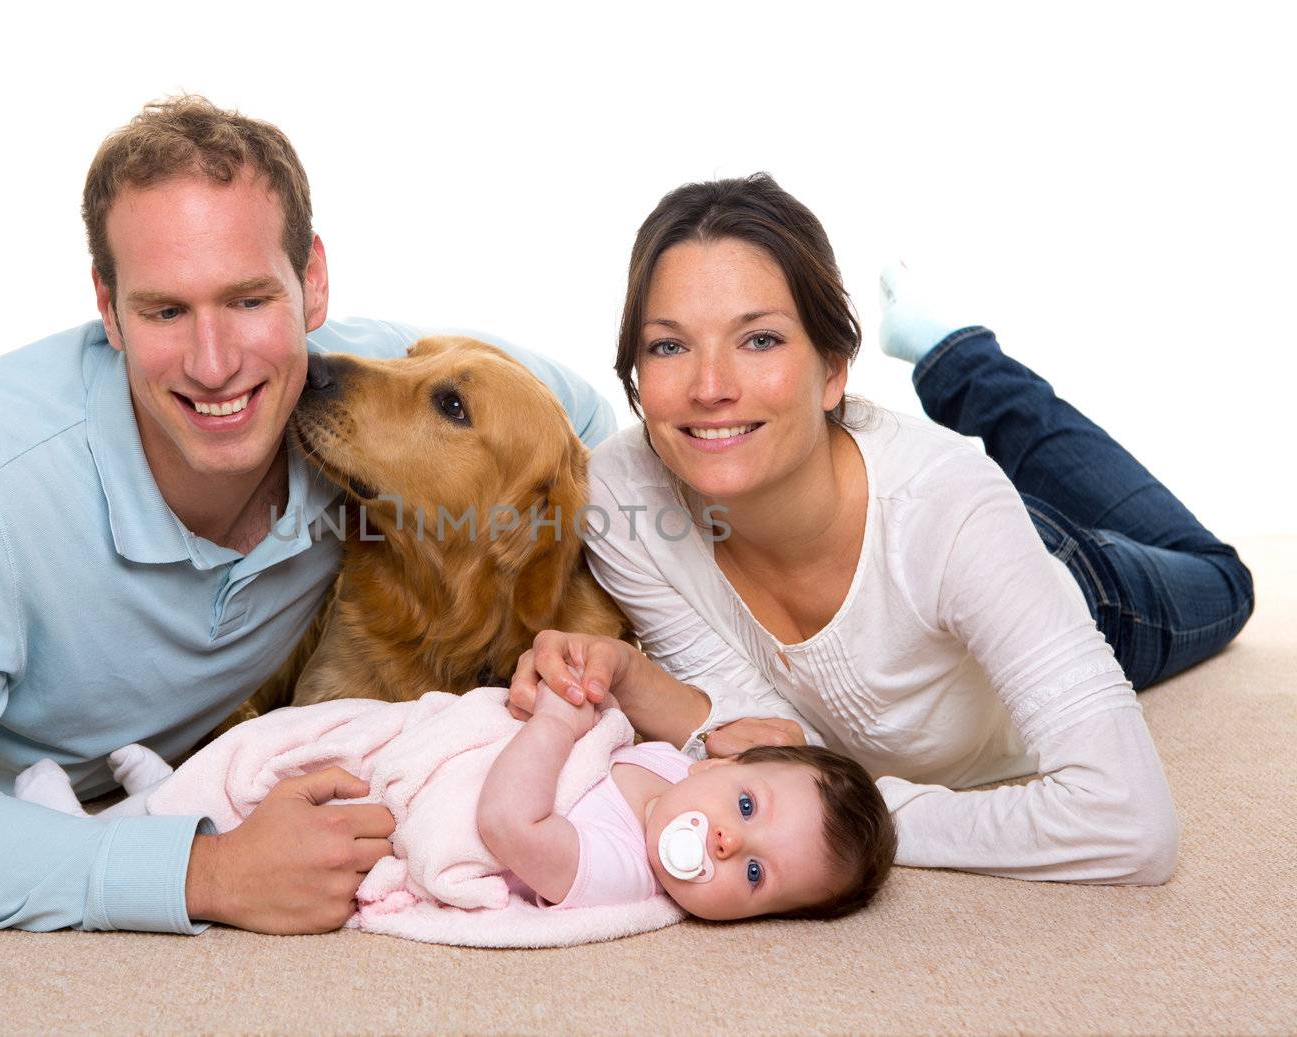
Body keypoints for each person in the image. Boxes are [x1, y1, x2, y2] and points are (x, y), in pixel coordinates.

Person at [0, 95, 614, 935]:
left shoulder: (344, 385)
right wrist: (205, 872)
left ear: (313, 283)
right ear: (107, 306)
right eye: (166, 309)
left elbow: (574, 422)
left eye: (251, 299)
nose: (217, 364)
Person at [509, 173, 1255, 883]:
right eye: (668, 345)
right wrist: (638, 682)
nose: (710, 387)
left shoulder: (951, 512)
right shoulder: (617, 495)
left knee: (1223, 578)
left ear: (833, 368)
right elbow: (751, 731)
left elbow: (1130, 823)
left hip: (1074, 583)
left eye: (759, 339)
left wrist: (857, 813)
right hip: (926, 518)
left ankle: (955, 355)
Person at [13, 681, 896, 920]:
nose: (721, 845)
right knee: (292, 737)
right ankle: (168, 789)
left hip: (434, 794)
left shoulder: (622, 872)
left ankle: (87, 828)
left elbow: (507, 824)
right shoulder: (673, 764)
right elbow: (668, 731)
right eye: (746, 807)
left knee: (285, 798)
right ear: (725, 764)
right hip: (430, 734)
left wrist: (554, 727)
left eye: (753, 876)